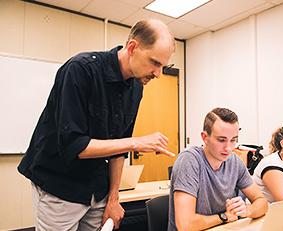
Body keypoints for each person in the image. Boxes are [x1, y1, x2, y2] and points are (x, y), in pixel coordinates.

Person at [17, 19, 176, 230]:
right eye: (155, 63)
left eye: (163, 66)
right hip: (60, 186)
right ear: (132, 48)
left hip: (97, 190)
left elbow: (119, 149)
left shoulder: (136, 88)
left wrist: (114, 199)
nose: (158, 73)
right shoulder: (81, 70)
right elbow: (76, 146)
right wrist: (135, 143)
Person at [168, 108, 268, 231]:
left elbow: (262, 202)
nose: (228, 148)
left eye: (233, 140)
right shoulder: (189, 160)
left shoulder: (234, 161)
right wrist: (224, 217)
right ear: (205, 137)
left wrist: (247, 210)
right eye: (221, 140)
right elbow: (185, 225)